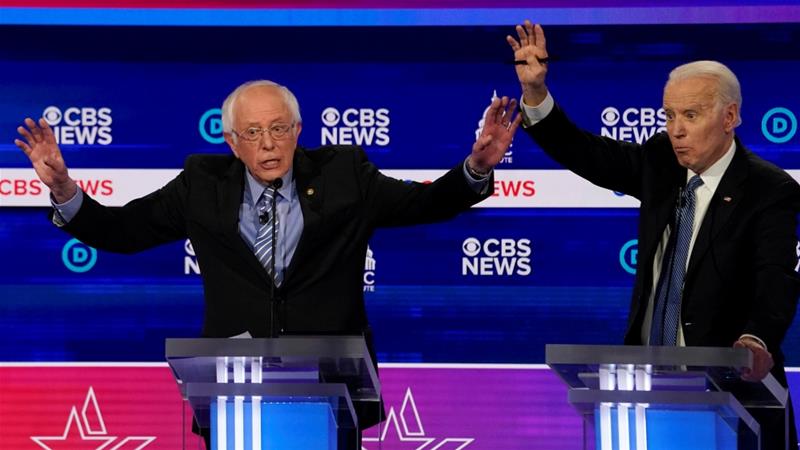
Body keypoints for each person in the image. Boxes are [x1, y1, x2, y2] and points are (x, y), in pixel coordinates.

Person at [14, 80, 522, 448]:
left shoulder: (345, 175)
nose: (268, 143)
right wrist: (63, 189)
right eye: (253, 132)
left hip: (331, 395)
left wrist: (476, 167)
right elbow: (123, 231)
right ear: (231, 142)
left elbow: (423, 204)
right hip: (232, 394)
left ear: (298, 130)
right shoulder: (202, 184)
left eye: (279, 129)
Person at [507, 20, 800, 449]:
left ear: (730, 117)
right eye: (669, 115)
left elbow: (776, 277)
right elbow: (589, 154)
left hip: (735, 400)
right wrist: (536, 93)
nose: (676, 129)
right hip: (649, 395)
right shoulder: (662, 161)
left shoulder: (767, 189)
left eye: (691, 115)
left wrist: (756, 339)